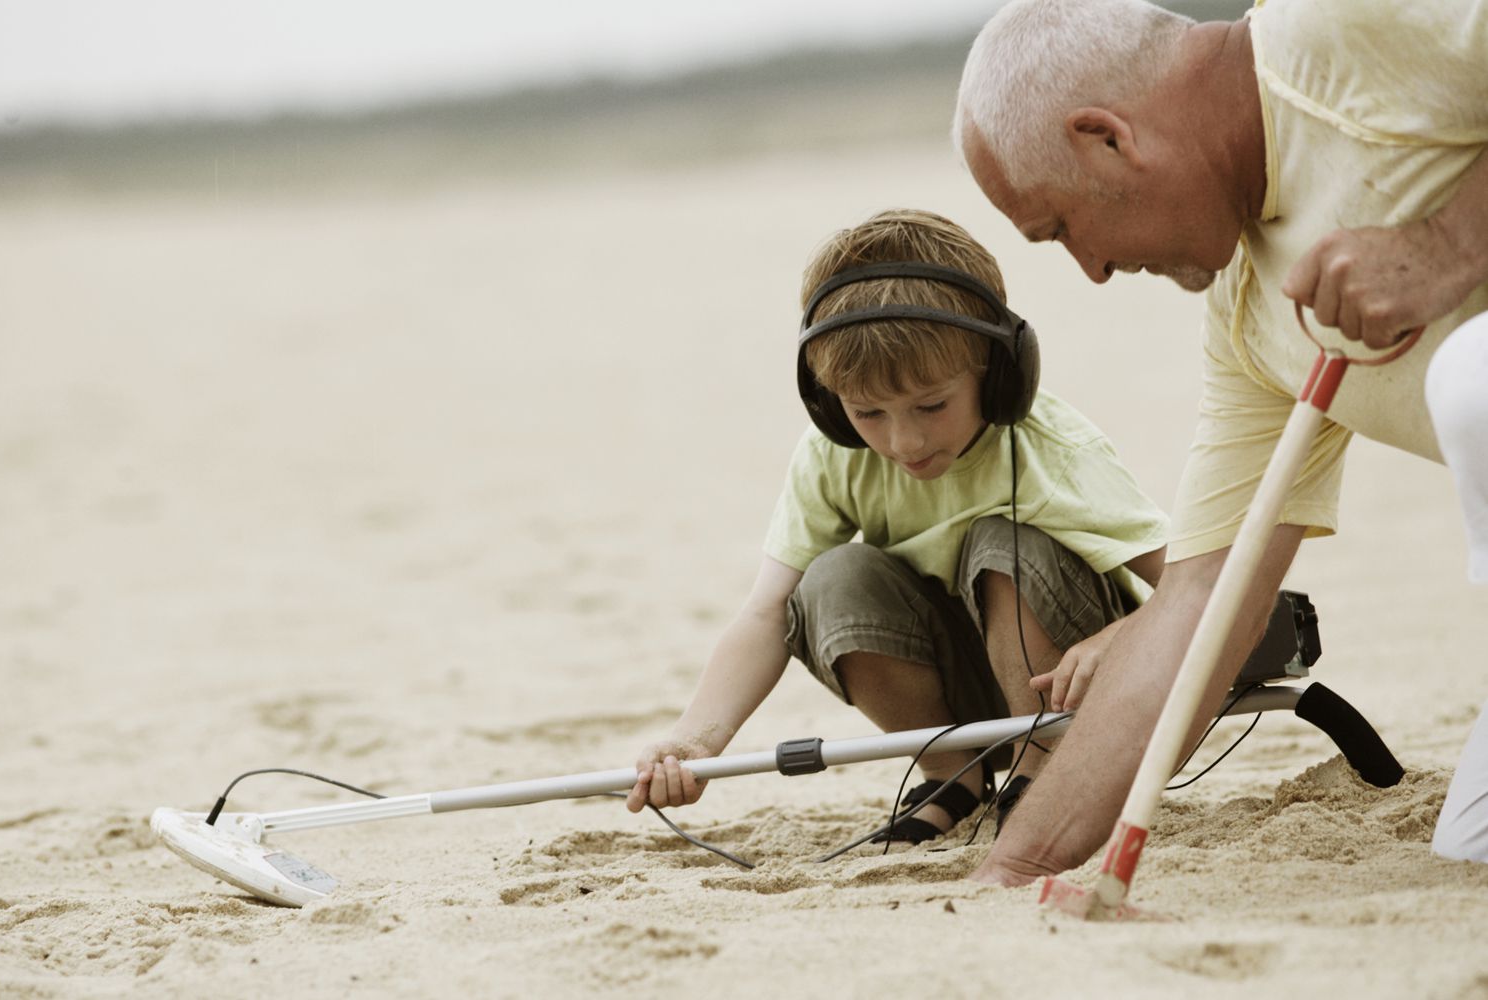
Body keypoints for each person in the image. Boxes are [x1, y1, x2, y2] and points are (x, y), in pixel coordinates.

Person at [951, 0, 1488, 882]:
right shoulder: (1245, 319)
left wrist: (1448, 243)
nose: (1090, 270)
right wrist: (1012, 868)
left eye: (1061, 230)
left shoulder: (1339, 28)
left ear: (1107, 139)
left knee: (1470, 378)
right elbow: (1201, 607)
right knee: (1472, 848)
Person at [624, 208, 1168, 844]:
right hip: (964, 684)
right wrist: (696, 739)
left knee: (1003, 543)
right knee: (831, 578)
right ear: (829, 403)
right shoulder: (835, 455)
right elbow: (766, 613)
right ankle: (950, 771)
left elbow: (1211, 584)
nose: (903, 441)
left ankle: (1045, 767)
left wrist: (1118, 643)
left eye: (931, 405)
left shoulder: (1054, 451)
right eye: (868, 413)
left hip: (1084, 698)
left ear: (999, 373)